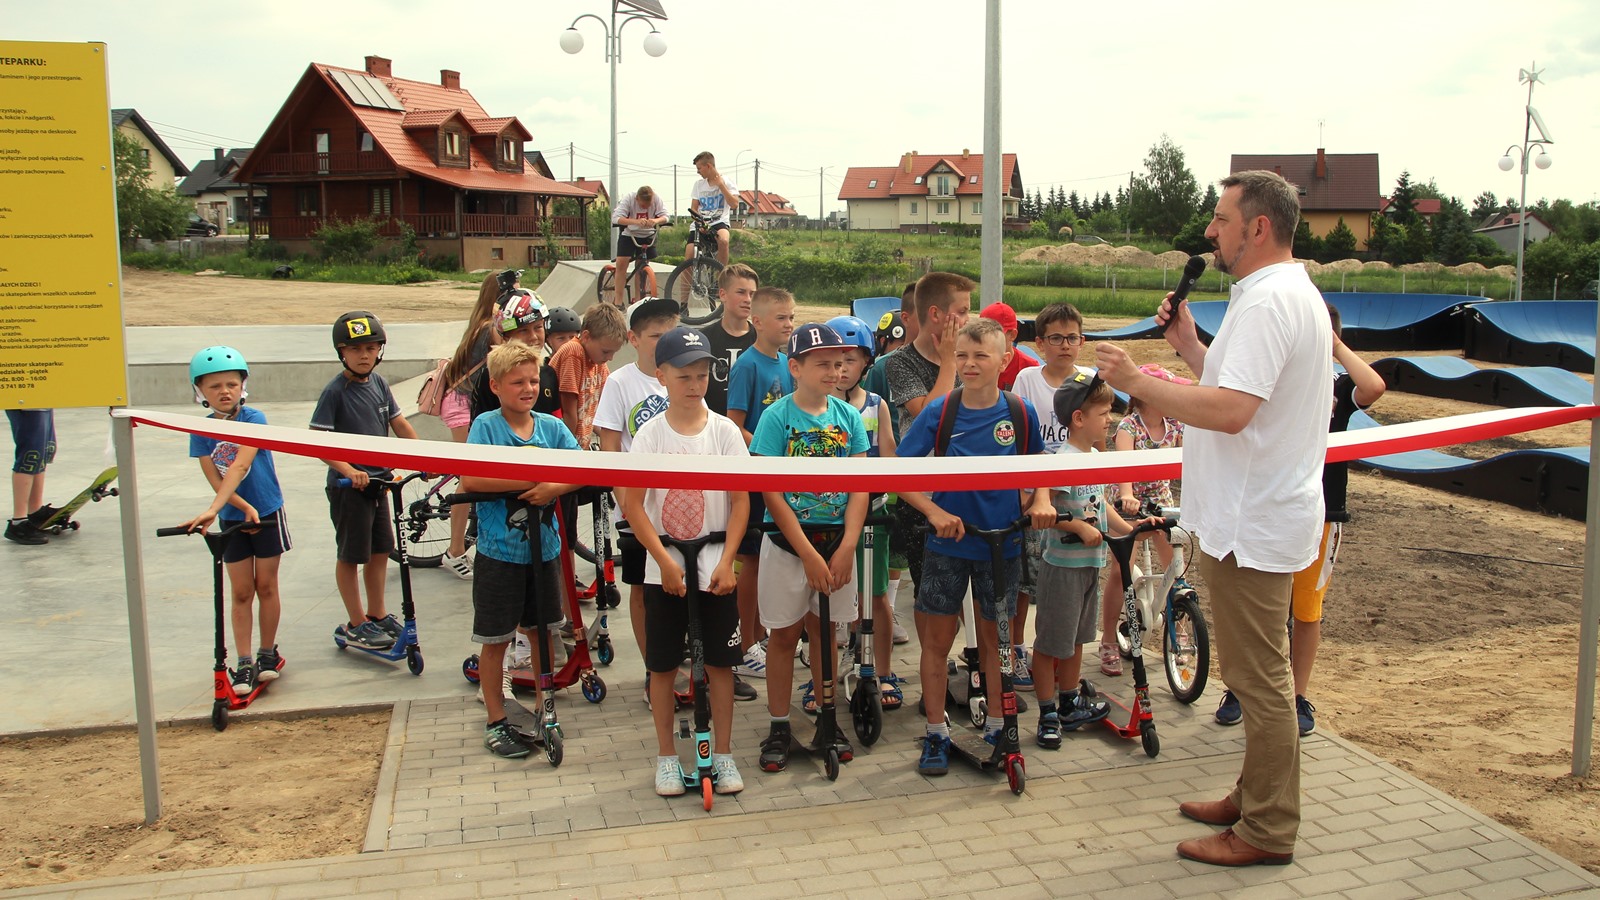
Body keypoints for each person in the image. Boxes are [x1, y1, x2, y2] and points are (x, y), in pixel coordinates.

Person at [1095, 170, 1331, 867]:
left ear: (1257, 226)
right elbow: (1236, 390)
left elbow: (1231, 413)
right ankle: (1254, 794)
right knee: (1257, 676)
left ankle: (1266, 829)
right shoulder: (1282, 293)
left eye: (1222, 219)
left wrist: (1139, 383)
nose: (1210, 231)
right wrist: (1190, 347)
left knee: (1261, 683)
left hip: (1253, 522)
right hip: (1257, 516)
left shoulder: (1267, 303)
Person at [895, 317, 1053, 775]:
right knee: (937, 642)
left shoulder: (1019, 412)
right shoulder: (941, 411)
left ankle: (999, 727)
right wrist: (934, 513)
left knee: (996, 643)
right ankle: (936, 733)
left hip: (1002, 547)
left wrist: (1040, 499)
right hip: (948, 547)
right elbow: (897, 474)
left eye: (981, 356)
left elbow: (1037, 468)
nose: (969, 364)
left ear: (1004, 360)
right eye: (961, 356)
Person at [623, 325, 750, 795]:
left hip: (715, 564)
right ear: (662, 376)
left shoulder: (725, 434)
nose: (695, 385)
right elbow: (634, 504)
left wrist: (728, 562)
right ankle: (664, 758)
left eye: (702, 375)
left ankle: (724, 753)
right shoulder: (650, 437)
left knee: (720, 665)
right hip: (666, 568)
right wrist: (664, 560)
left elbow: (740, 503)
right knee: (661, 667)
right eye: (684, 376)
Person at [749, 322, 869, 772]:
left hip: (836, 542)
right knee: (783, 635)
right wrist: (807, 554)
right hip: (788, 545)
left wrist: (846, 547)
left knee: (827, 635)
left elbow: (861, 486)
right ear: (795, 366)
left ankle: (827, 715)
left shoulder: (849, 418)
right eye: (822, 363)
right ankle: (779, 724)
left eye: (839, 364)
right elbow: (771, 491)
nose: (834, 371)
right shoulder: (776, 418)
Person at [459, 341, 582, 758]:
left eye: (533, 380)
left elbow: (580, 468)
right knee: (495, 638)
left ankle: (544, 708)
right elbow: (471, 479)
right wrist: (529, 484)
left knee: (541, 633)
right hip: (500, 553)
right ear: (496, 386)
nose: (528, 388)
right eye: (517, 382)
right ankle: (496, 718)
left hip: (544, 550)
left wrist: (554, 487)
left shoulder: (551, 427)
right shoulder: (486, 427)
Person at [1287, 302, 1385, 737]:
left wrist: (1336, 346)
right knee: (1263, 611)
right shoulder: (1280, 381)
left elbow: (1375, 386)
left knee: (1306, 611)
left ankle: (1298, 695)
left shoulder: (1340, 387)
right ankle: (1241, 689)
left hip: (1324, 512)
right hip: (1274, 509)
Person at [180, 347, 291, 695]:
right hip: (232, 515)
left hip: (268, 510)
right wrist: (236, 507)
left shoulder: (254, 420)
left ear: (243, 385)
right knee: (241, 591)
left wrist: (218, 508)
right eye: (214, 386)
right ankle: (244, 662)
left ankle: (267, 652)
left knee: (266, 585)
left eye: (231, 383)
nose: (224, 391)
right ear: (200, 392)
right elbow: (215, 475)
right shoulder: (200, 429)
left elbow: (242, 464)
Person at [311, 311, 422, 652]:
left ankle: (377, 612)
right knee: (350, 555)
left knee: (379, 551)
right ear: (341, 352)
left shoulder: (379, 384)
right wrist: (348, 471)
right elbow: (319, 443)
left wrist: (423, 457)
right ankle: (356, 622)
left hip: (379, 484)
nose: (364, 355)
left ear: (380, 351)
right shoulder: (336, 392)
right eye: (355, 349)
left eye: (371, 348)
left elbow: (399, 423)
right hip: (350, 488)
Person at [1034, 373, 1127, 748]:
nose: (1109, 420)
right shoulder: (1064, 460)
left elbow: (1101, 504)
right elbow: (1045, 508)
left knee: (1075, 642)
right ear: (1078, 419)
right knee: (1051, 643)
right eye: (1103, 413)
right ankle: (1047, 713)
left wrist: (1129, 527)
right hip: (1063, 568)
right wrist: (1076, 525)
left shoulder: (1095, 457)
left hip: (1090, 565)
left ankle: (1070, 701)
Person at [825, 314, 905, 710]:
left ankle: (884, 669)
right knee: (825, 599)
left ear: (866, 363)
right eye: (832, 360)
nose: (840, 370)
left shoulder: (876, 405)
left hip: (871, 514)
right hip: (824, 517)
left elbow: (888, 456)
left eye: (849, 361)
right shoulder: (812, 408)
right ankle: (825, 675)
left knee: (874, 598)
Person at [884, 271, 973, 608]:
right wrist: (950, 361)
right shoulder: (901, 362)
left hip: (965, 486)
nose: (967, 319)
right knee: (932, 596)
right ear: (935, 314)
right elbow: (929, 419)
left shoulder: (970, 355)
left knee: (974, 594)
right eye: (961, 311)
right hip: (922, 495)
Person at [725, 286, 797, 683]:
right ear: (758, 322)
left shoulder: (789, 363)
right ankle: (746, 641)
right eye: (781, 318)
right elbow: (734, 425)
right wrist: (772, 453)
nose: (788, 324)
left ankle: (765, 632)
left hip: (784, 478)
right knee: (750, 561)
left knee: (772, 557)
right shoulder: (748, 366)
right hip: (756, 476)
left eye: (792, 317)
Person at [1103, 363, 1188, 678]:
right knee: (1120, 568)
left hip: (1160, 501)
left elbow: (1189, 461)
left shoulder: (1175, 426)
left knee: (1176, 568)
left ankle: (1179, 632)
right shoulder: (1129, 427)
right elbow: (1124, 466)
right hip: (1129, 502)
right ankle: (1109, 639)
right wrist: (1126, 494)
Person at [435, 271, 518, 579]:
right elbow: (508, 348)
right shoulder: (489, 327)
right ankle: (454, 551)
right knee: (467, 479)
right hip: (461, 404)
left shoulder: (482, 322)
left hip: (466, 402)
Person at [549, 303, 626, 449]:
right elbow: (569, 411)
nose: (610, 358)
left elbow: (603, 409)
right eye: (606, 351)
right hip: (566, 443)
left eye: (613, 352)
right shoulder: (574, 351)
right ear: (586, 336)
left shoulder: (599, 361)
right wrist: (569, 449)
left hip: (581, 444)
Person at [701, 263, 760, 417]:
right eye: (741, 292)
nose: (748, 299)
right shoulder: (703, 340)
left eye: (752, 294)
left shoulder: (763, 339)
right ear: (723, 295)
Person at [610, 185, 668, 308]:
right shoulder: (629, 199)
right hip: (629, 234)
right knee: (622, 264)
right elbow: (616, 218)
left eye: (648, 206)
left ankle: (638, 301)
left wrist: (655, 221)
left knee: (641, 267)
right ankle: (618, 302)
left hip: (647, 235)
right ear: (637, 199)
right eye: (643, 206)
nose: (645, 208)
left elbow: (665, 216)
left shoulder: (656, 199)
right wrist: (635, 222)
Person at [5, 408, 55, 545]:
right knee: (30, 454)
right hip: (24, 399)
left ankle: (35, 510)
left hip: (42, 398)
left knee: (44, 450)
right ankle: (18, 522)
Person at [687, 151, 738, 267]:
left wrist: (721, 185)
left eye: (699, 168)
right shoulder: (698, 185)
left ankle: (719, 275)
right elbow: (693, 208)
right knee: (688, 257)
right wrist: (700, 223)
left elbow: (734, 204)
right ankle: (685, 285)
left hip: (719, 222)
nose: (698, 172)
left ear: (708, 166)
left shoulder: (726, 181)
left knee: (723, 241)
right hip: (701, 222)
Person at [979, 301, 1040, 392]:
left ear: (1012, 335)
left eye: (995, 335)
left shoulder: (1029, 368)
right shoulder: (973, 362)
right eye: (984, 334)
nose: (989, 340)